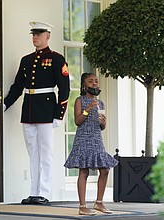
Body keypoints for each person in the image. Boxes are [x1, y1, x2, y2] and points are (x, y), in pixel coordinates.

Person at [4, 21, 70, 204]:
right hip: (30, 110)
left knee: (46, 153)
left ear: (47, 36)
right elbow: (18, 86)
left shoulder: (56, 59)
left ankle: (45, 192)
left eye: (39, 34)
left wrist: (59, 113)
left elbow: (64, 88)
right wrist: (5, 105)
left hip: (47, 110)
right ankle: (34, 192)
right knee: (33, 153)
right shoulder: (26, 60)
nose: (35, 37)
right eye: (33, 34)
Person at [64, 72, 118, 215]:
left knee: (105, 169)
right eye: (90, 81)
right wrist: (87, 109)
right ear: (84, 85)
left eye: (96, 81)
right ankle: (82, 206)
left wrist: (103, 124)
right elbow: (77, 121)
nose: (94, 83)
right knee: (84, 170)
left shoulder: (100, 103)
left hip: (96, 138)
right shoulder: (79, 100)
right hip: (83, 139)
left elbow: (101, 126)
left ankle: (99, 203)